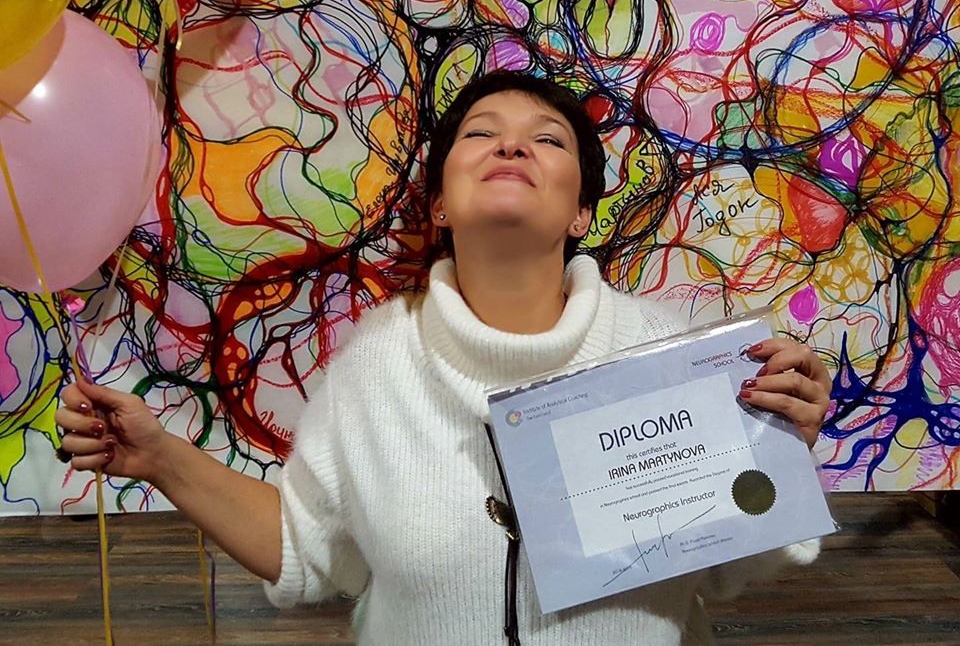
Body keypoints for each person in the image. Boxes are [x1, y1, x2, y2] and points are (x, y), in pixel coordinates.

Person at [57, 70, 832, 645]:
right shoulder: (376, 367)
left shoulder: (671, 358)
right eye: (480, 133)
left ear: (581, 212)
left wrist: (780, 445)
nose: (512, 144)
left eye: (548, 139)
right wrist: (160, 458)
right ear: (438, 205)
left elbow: (729, 565)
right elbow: (306, 545)